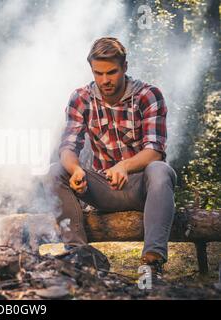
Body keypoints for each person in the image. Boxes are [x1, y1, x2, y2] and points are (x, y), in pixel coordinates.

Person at [48, 37, 176, 280]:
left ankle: (152, 262)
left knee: (160, 169)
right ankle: (78, 256)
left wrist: (125, 166)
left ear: (125, 67)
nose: (105, 80)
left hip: (142, 188)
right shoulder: (81, 98)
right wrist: (75, 170)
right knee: (57, 171)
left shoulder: (149, 95)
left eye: (112, 72)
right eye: (98, 73)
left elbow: (155, 150)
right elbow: (67, 146)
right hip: (102, 188)